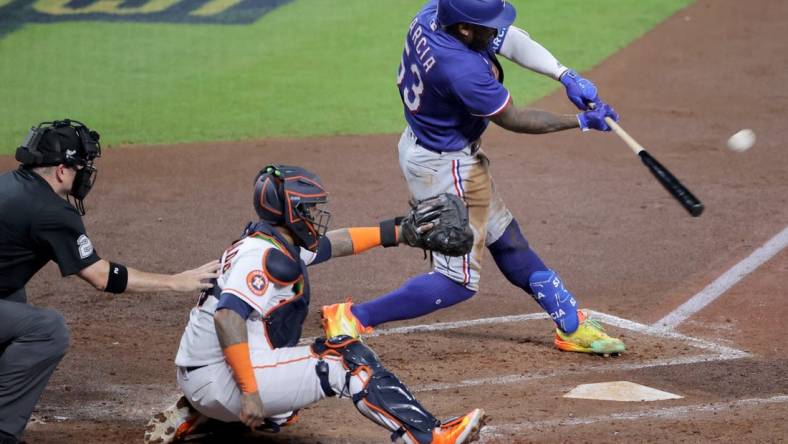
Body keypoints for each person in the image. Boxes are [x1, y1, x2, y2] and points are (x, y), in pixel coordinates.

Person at [321, 0, 626, 355]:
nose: (496, 30)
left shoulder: (435, 14)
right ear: (465, 29)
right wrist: (581, 122)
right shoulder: (460, 68)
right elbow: (515, 119)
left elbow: (506, 38)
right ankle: (353, 317)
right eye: (488, 25)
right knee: (456, 281)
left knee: (506, 237)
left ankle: (570, 324)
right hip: (443, 168)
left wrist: (564, 74)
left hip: (443, 151)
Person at [144, 165, 486, 444]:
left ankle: (203, 415)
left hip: (205, 374)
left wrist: (398, 233)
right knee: (346, 360)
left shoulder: (270, 238)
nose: (316, 214)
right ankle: (430, 437)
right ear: (290, 212)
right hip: (219, 380)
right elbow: (227, 316)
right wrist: (249, 392)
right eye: (308, 209)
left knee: (287, 401)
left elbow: (335, 244)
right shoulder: (263, 255)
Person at [0, 119, 219, 444]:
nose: (85, 173)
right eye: (80, 166)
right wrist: (176, 282)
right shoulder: (51, 212)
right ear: (61, 170)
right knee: (47, 330)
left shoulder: (10, 184)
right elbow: (102, 277)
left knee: (12, 293)